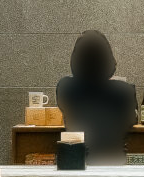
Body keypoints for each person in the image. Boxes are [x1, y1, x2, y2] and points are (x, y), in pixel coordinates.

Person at [54, 30, 138, 161]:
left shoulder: (66, 88)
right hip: (113, 159)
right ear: (108, 60)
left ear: (75, 60)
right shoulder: (123, 91)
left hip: (77, 159)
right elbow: (131, 120)